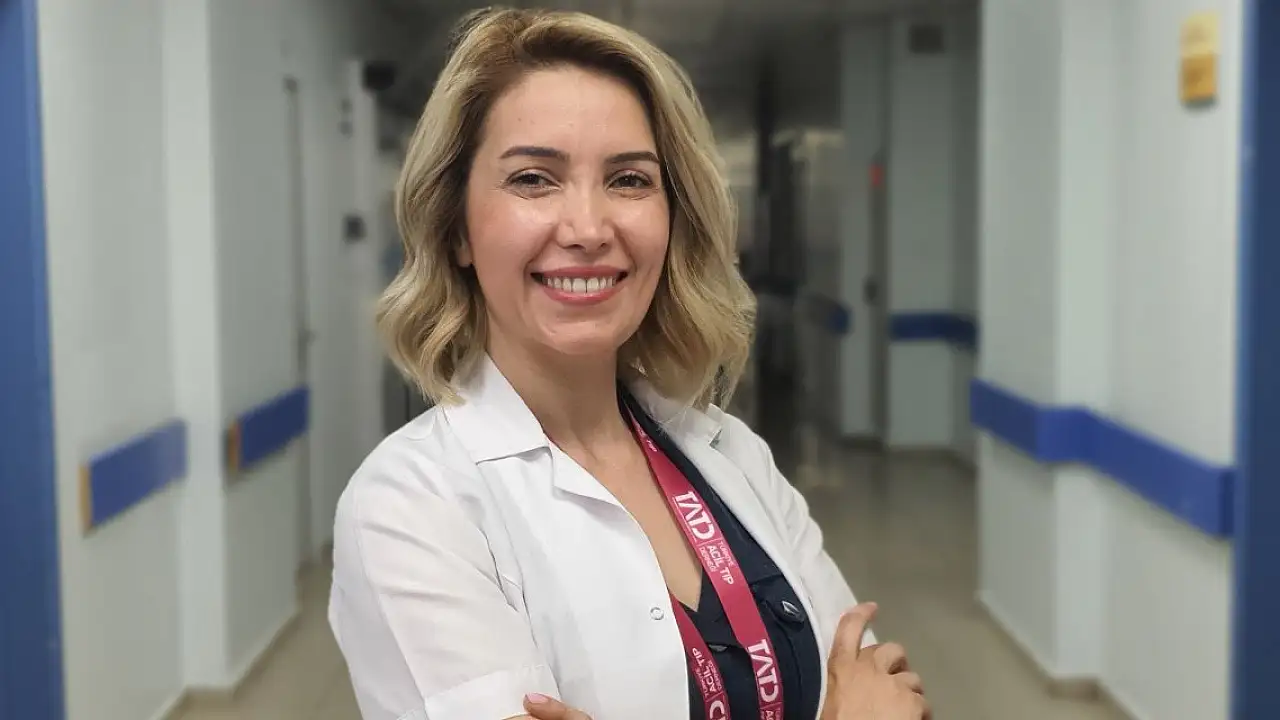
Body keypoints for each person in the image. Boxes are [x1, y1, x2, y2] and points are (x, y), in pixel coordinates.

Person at [328, 7, 928, 720]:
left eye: (630, 181)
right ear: (456, 226)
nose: (588, 229)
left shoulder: (730, 454)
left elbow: (883, 685)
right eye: (533, 179)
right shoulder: (410, 505)